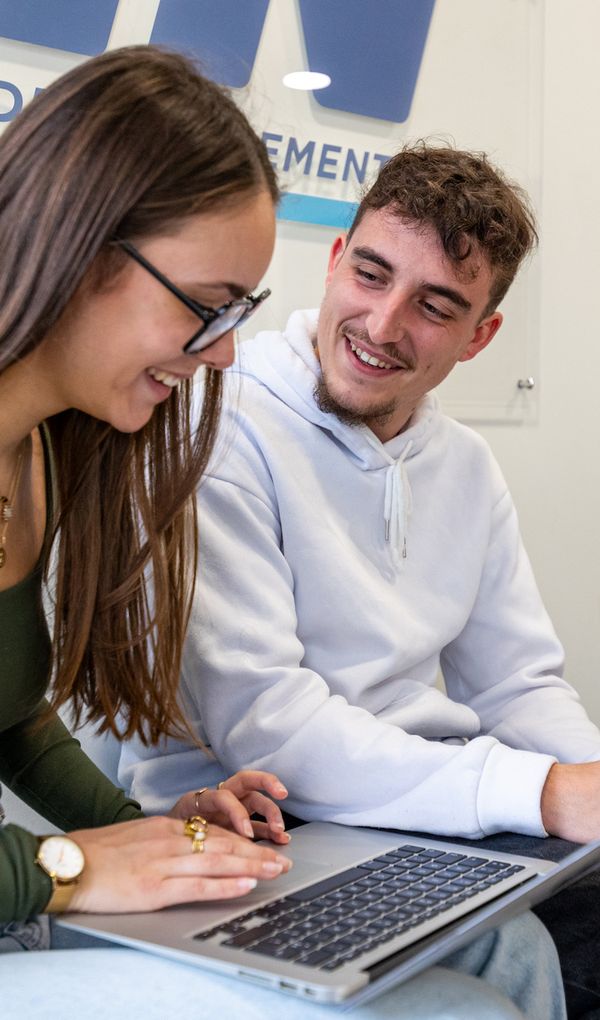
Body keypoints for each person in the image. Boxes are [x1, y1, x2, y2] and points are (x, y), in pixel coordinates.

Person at [0, 48, 562, 1020]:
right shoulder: (208, 431)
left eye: (240, 312)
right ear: (85, 254)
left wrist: (158, 836)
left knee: (514, 963)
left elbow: (12, 721)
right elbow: (266, 717)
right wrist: (67, 866)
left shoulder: (46, 456)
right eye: (205, 306)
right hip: (37, 887)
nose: (226, 351)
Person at [120, 143, 600, 1015]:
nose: (381, 325)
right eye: (371, 275)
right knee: (521, 954)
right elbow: (269, 727)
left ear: (480, 335)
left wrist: (586, 777)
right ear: (336, 259)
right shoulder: (218, 424)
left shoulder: (465, 463)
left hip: (414, 806)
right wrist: (542, 793)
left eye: (434, 306)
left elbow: (516, 684)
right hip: (263, 816)